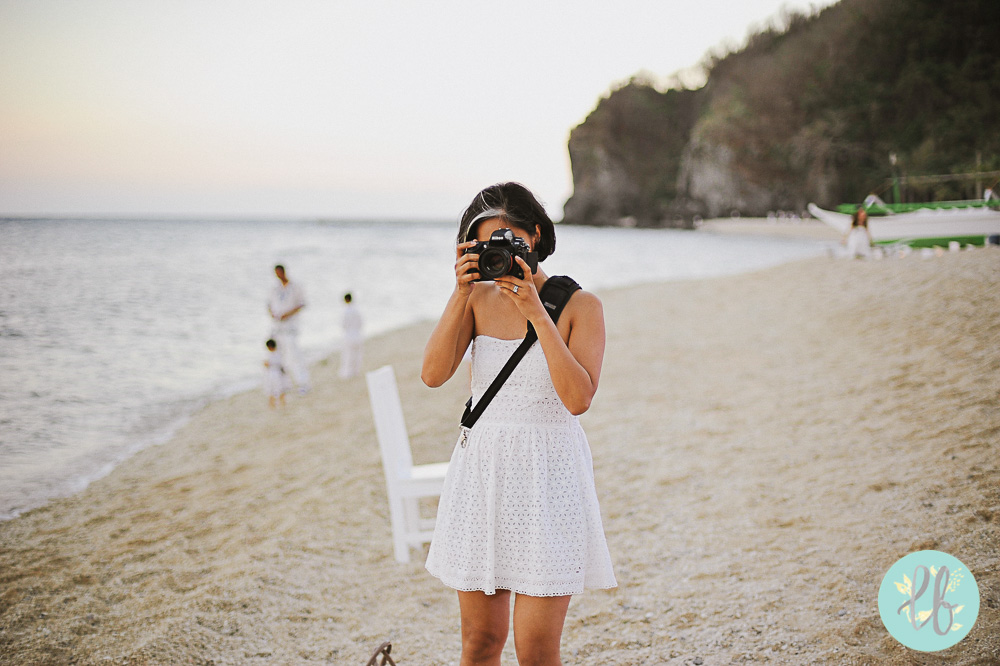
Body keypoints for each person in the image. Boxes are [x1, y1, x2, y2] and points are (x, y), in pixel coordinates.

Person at [421, 182, 616, 666]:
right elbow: (432, 374)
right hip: (482, 476)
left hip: (548, 481)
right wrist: (460, 291)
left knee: (536, 650)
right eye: (487, 244)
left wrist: (537, 312)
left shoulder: (580, 306)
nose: (501, 252)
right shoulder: (474, 300)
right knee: (480, 643)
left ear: (535, 235)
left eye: (510, 239)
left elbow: (578, 399)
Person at [267, 264, 310, 393]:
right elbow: (269, 305)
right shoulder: (275, 289)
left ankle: (303, 383)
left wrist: (288, 314)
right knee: (278, 355)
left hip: (291, 326)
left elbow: (302, 304)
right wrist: (273, 314)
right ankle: (284, 384)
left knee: (295, 355)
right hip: (277, 326)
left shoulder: (295, 287)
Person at [339, 292, 364, 379]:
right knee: (357, 354)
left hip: (349, 335)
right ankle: (356, 370)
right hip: (357, 334)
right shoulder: (357, 310)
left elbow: (343, 325)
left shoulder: (345, 311)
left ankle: (348, 373)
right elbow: (361, 322)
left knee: (348, 355)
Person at [262, 338, 289, 408]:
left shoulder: (270, 355)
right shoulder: (279, 353)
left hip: (274, 374)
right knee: (280, 389)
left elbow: (266, 364)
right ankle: (282, 404)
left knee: (273, 390)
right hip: (278, 373)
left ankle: (273, 405)